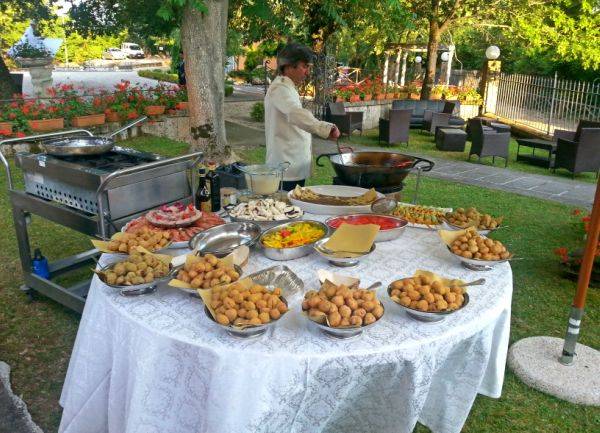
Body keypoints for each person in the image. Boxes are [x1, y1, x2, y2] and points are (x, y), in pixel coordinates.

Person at [264, 43, 340, 191]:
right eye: (304, 66)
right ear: (289, 66)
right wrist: (324, 128)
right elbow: (295, 113)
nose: (307, 72)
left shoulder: (287, 87)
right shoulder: (280, 88)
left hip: (292, 167)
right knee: (286, 211)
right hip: (285, 169)